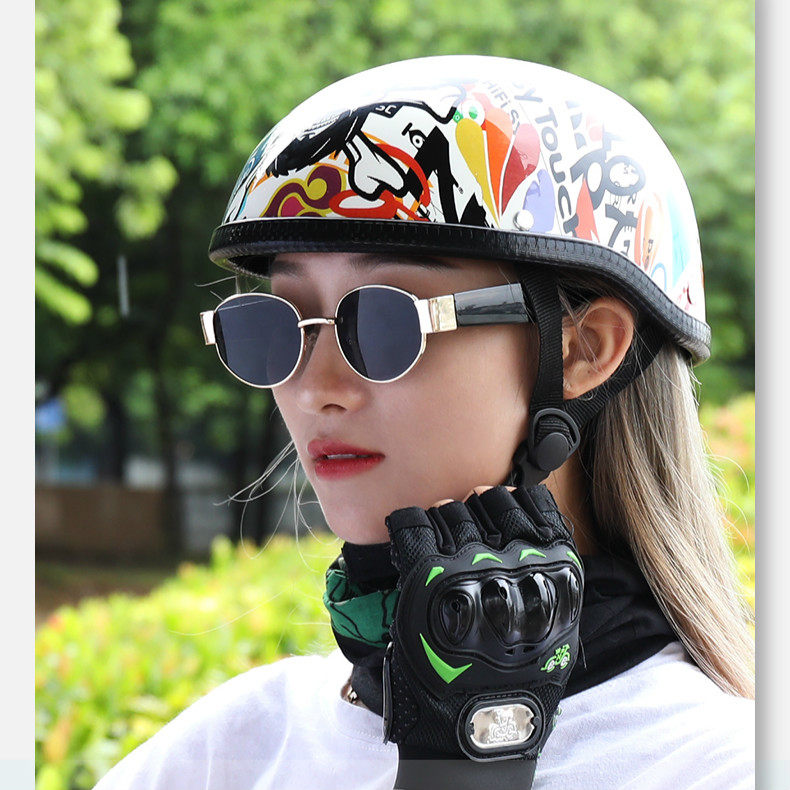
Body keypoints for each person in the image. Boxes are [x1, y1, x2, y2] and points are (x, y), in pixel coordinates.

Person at [93, 56, 754, 789]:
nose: (316, 388)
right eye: (276, 324)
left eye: (385, 321)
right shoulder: (232, 746)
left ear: (584, 349)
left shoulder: (722, 763)